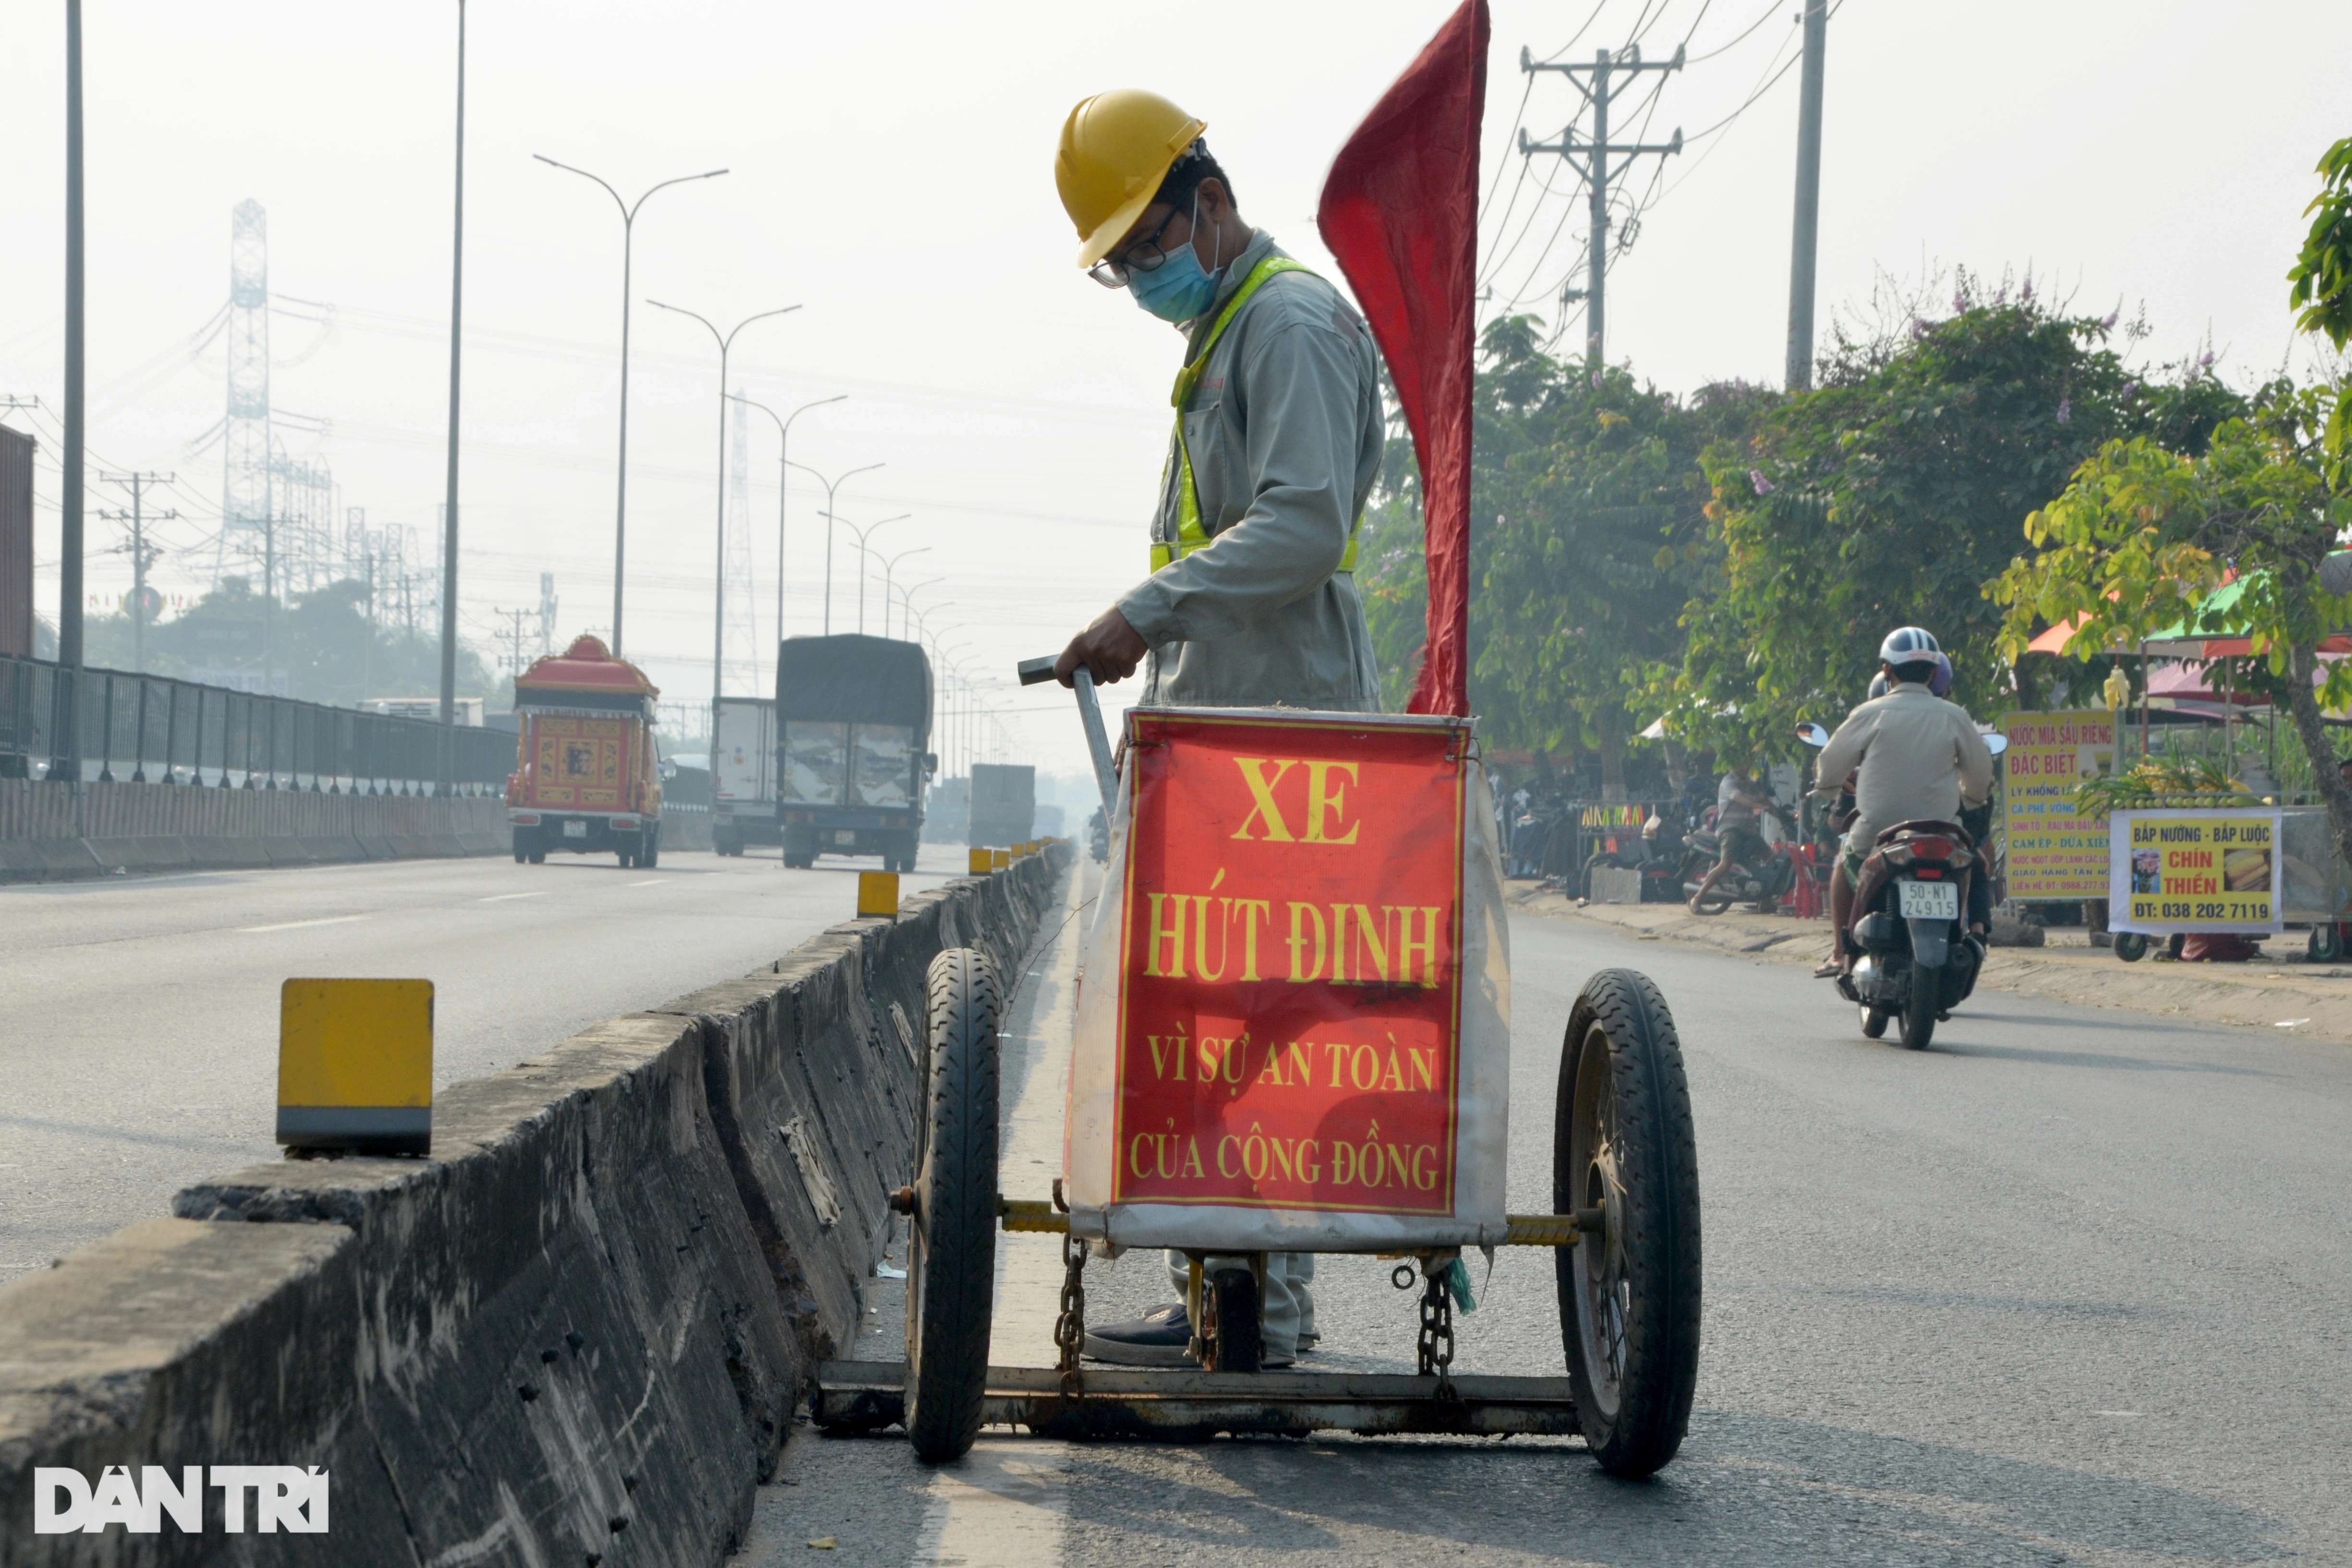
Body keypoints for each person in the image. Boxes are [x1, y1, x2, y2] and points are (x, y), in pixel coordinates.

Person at [1048, 90, 1385, 1372]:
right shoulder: (1227, 338)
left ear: (1213, 201)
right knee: (1210, 1012)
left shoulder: (1287, 322)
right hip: (1222, 734)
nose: (1144, 275)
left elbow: (1304, 528)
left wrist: (1144, 609)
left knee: (1270, 1014)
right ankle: (1224, 1288)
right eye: (1123, 263)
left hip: (1283, 744)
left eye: (1150, 246)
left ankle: (1265, 1310)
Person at [1812, 627, 1997, 978]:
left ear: (1887, 670)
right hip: (1942, 834)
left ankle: (1840, 952)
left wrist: (1828, 785)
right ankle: (1969, 934)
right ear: (1932, 673)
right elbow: (1980, 774)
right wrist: (1972, 797)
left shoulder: (1869, 713)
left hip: (1877, 836)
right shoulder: (1954, 716)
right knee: (1970, 865)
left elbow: (1831, 766)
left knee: (1843, 861)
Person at [1688, 761, 1778, 912]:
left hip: (1749, 832)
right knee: (1726, 863)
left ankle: (1765, 901)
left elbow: (1763, 799)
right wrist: (1758, 806)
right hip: (1730, 830)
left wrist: (1779, 813)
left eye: (1747, 763)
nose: (1745, 766)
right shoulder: (1728, 782)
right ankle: (1698, 898)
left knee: (1771, 858)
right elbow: (1740, 799)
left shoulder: (1749, 782)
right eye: (1742, 763)